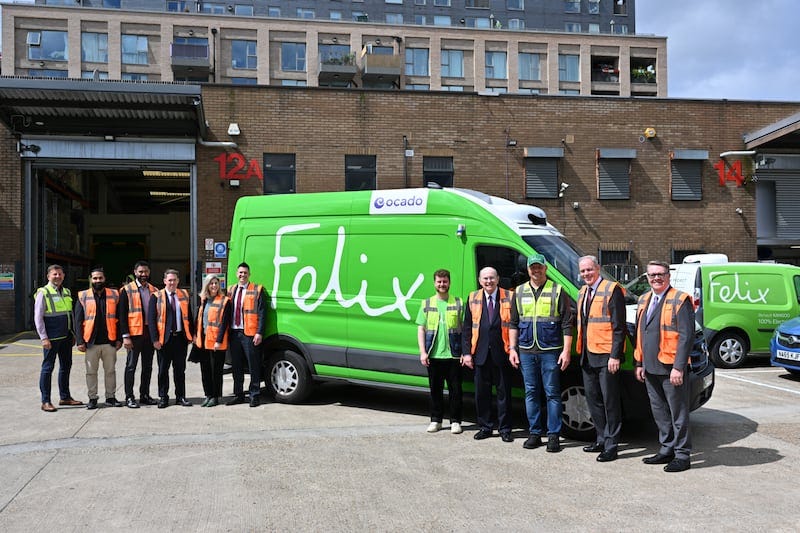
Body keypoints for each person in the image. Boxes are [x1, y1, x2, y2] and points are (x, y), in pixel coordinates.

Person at [509, 253, 574, 453]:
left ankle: (553, 435)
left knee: (552, 393)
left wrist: (566, 351)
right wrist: (512, 349)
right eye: (532, 267)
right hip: (526, 350)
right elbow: (513, 323)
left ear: (545, 269)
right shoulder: (518, 292)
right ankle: (535, 433)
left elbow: (567, 324)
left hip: (550, 351)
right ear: (528, 270)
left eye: (539, 267)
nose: (536, 270)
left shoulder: (557, 290)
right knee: (531, 393)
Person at [634, 261, 695, 473]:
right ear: (647, 278)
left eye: (660, 274)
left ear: (668, 276)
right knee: (659, 411)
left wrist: (679, 367)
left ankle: (682, 455)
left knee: (678, 413)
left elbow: (687, 336)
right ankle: (667, 448)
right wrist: (639, 363)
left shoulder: (680, 300)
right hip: (649, 367)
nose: (656, 278)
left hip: (671, 368)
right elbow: (641, 334)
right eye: (652, 275)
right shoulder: (644, 300)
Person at [575, 255, 626, 462]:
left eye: (589, 270)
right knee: (593, 400)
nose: (586, 274)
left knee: (610, 402)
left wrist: (615, 355)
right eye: (583, 271)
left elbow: (619, 326)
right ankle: (601, 438)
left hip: (606, 356)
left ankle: (612, 445)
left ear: (598, 269)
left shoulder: (612, 289)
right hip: (587, 355)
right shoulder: (582, 292)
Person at [462, 267, 514, 442]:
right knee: (482, 393)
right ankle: (485, 427)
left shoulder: (510, 297)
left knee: (504, 393)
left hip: (503, 353)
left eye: (492, 278)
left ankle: (505, 429)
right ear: (479, 280)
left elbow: (515, 325)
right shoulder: (472, 298)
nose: (489, 281)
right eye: (485, 278)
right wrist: (467, 353)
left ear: (498, 279)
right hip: (480, 354)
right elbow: (467, 328)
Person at [416, 269, 465, 434]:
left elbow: (464, 330)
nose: (442, 284)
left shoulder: (458, 303)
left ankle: (455, 421)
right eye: (439, 281)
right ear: (434, 283)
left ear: (449, 283)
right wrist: (423, 352)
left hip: (454, 355)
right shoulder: (427, 303)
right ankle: (435, 420)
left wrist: (465, 352)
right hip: (433, 355)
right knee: (435, 390)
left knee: (455, 390)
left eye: (444, 281)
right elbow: (421, 329)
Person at [34, 264, 83, 412]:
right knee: (48, 368)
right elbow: (38, 317)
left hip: (66, 337)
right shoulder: (44, 292)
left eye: (60, 274)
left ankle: (65, 397)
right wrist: (44, 337)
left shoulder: (67, 292)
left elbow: (70, 315)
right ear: (48, 276)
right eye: (55, 274)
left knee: (66, 367)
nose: (58, 277)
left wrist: (73, 334)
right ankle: (46, 401)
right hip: (52, 338)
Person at [74, 266, 123, 409]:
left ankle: (111, 397)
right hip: (91, 342)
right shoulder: (82, 296)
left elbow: (119, 318)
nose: (98, 280)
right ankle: (93, 398)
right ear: (91, 279)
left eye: (100, 278)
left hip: (109, 341)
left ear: (104, 279)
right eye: (95, 278)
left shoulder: (114, 295)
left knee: (110, 371)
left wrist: (119, 338)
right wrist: (80, 341)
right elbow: (78, 321)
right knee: (91, 372)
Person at [148, 268, 195, 409]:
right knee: (163, 370)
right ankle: (163, 397)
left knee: (180, 370)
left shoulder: (184, 295)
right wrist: (155, 340)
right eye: (169, 280)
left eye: (174, 280)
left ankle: (180, 396)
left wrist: (191, 335)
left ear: (178, 281)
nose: (172, 282)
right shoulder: (156, 296)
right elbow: (151, 320)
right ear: (164, 281)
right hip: (164, 340)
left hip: (180, 339)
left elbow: (189, 316)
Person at [119, 260, 158, 408]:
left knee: (147, 366)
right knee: (131, 366)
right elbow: (122, 315)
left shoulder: (154, 290)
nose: (143, 274)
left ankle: (145, 395)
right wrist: (125, 336)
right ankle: (129, 396)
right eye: (141, 272)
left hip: (149, 333)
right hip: (134, 334)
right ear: (135, 272)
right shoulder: (126, 290)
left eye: (146, 272)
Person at [226, 262, 266, 407]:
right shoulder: (231, 290)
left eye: (245, 273)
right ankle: (238, 395)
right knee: (236, 366)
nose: (242, 275)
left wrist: (259, 332)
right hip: (234, 333)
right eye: (240, 273)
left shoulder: (257, 289)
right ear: (237, 274)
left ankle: (254, 395)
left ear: (249, 274)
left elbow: (262, 313)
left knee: (253, 365)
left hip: (250, 334)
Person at [195, 274, 231, 407]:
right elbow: (198, 318)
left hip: (216, 341)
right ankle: (208, 395)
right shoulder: (204, 300)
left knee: (216, 371)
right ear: (207, 285)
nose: (214, 286)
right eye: (211, 283)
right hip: (203, 339)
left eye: (216, 283)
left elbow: (224, 323)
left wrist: (219, 340)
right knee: (205, 370)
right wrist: (195, 335)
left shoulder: (225, 300)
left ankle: (215, 396)